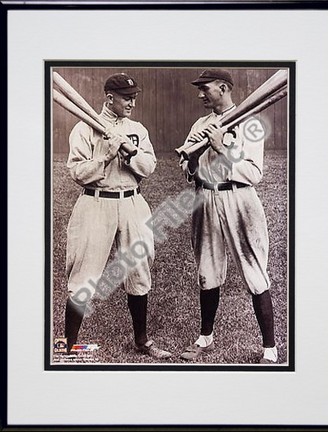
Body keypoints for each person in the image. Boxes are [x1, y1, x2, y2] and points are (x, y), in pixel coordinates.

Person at [64, 72, 171, 359]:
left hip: (133, 202)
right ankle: (70, 346)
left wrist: (130, 153)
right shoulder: (85, 128)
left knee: (138, 270)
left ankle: (142, 341)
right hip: (96, 203)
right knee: (83, 274)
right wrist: (105, 156)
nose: (132, 103)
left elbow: (149, 167)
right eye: (127, 97)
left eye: (134, 97)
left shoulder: (137, 128)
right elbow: (77, 172)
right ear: (109, 97)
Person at [179, 69, 277, 364]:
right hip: (206, 196)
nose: (200, 94)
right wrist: (193, 157)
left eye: (205, 89)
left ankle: (269, 349)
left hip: (239, 198)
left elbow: (254, 173)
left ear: (222, 88)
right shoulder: (201, 123)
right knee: (207, 269)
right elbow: (190, 174)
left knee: (254, 270)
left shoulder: (251, 122)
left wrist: (221, 147)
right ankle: (205, 338)